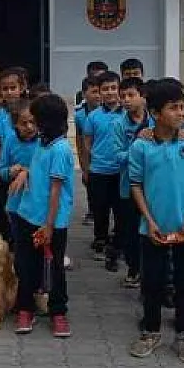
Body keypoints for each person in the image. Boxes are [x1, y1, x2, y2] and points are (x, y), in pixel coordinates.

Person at [128, 80, 184, 365]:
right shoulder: (141, 146)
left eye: (182, 107)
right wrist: (149, 221)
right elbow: (135, 185)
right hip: (152, 228)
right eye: (173, 108)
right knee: (152, 282)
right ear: (155, 112)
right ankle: (150, 331)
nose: (180, 113)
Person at [8, 93, 75, 338]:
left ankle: (58, 312)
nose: (31, 124)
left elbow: (55, 192)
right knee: (26, 265)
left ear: (46, 121)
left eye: (35, 119)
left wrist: (48, 226)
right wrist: (25, 173)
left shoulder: (60, 149)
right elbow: (36, 171)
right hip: (28, 215)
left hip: (51, 222)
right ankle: (25, 308)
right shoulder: (41, 143)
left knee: (54, 267)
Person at [111, 76, 153, 287]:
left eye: (131, 95)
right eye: (123, 96)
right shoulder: (119, 125)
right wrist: (138, 146)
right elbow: (118, 156)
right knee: (131, 231)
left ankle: (152, 271)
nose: (126, 100)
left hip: (154, 187)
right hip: (129, 186)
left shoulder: (154, 121)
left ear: (143, 96)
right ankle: (134, 268)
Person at [81, 71, 124, 261]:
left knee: (121, 208)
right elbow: (87, 143)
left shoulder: (126, 115)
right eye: (104, 89)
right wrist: (87, 167)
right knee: (100, 208)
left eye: (113, 88)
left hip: (121, 171)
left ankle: (119, 241)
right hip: (99, 170)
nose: (109, 92)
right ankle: (100, 238)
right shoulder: (93, 117)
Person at [0, 70, 27, 242]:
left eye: (13, 87)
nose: (9, 92)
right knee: (8, 212)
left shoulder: (30, 112)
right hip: (8, 172)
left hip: (31, 172)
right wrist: (2, 169)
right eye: (5, 89)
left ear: (22, 87)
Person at [0, 98, 38, 250]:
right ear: (15, 125)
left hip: (37, 203)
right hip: (16, 202)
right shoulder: (11, 140)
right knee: (21, 244)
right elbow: (2, 171)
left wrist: (27, 171)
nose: (29, 127)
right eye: (24, 123)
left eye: (33, 122)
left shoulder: (43, 142)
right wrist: (10, 171)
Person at [73, 75, 102, 227]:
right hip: (88, 156)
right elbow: (79, 140)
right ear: (84, 94)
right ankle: (92, 212)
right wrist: (83, 164)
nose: (97, 95)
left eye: (99, 91)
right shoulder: (79, 115)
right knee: (90, 185)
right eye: (93, 91)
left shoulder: (109, 113)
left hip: (104, 157)